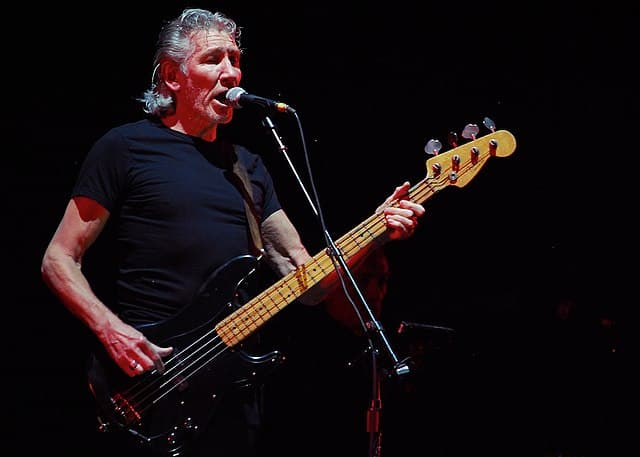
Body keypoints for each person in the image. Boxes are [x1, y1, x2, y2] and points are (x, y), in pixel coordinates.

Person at [40, 7, 425, 457]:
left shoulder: (248, 168)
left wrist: (377, 230)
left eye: (235, 59)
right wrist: (112, 331)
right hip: (144, 381)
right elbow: (58, 258)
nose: (231, 72)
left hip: (229, 392)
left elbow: (308, 284)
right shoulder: (125, 148)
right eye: (213, 59)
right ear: (172, 76)